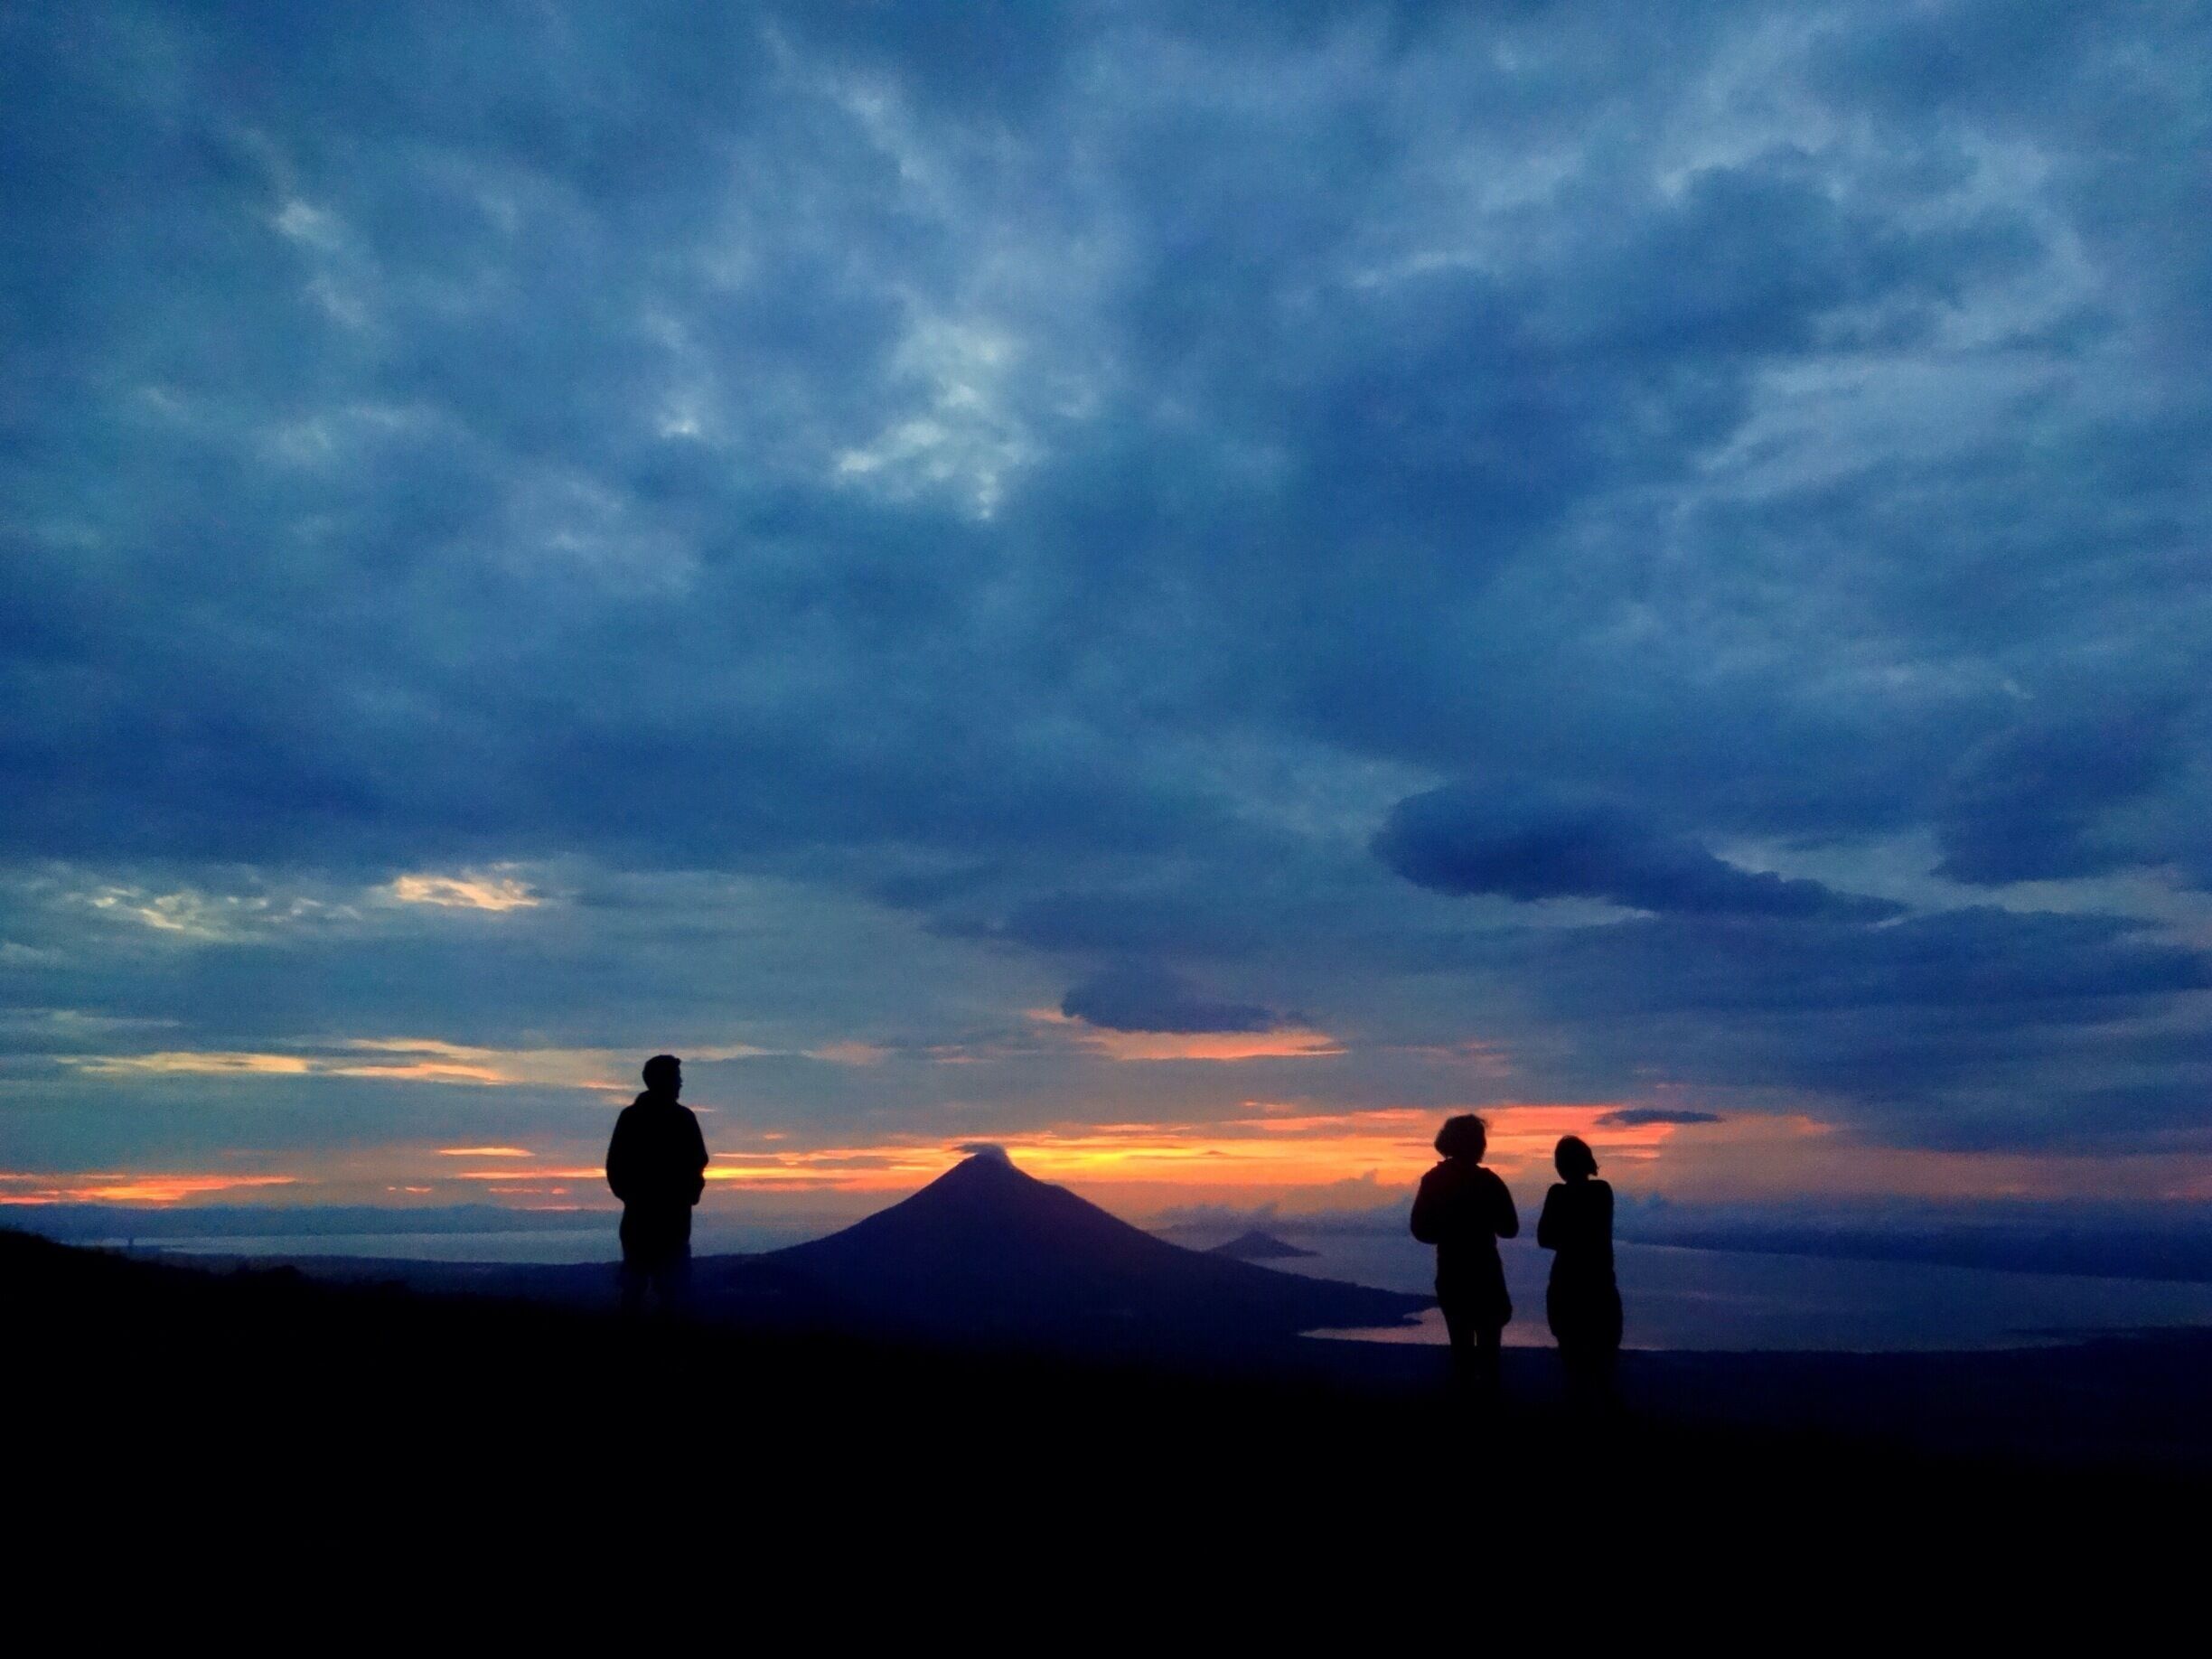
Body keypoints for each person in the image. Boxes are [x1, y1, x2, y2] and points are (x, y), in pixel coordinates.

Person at [1410, 1113, 1519, 1397]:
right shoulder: (1489, 1181)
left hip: (1452, 1275)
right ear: (1477, 1144)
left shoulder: (1433, 1180)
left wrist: (1448, 1231)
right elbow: (1510, 1228)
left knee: (1461, 1355)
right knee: (1490, 1357)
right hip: (1486, 1276)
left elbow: (1420, 1230)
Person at [605, 1054, 710, 1316]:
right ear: (663, 1081)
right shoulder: (680, 1118)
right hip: (665, 1217)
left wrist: (633, 1196)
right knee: (662, 1288)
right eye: (677, 1078)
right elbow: (699, 1159)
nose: (681, 1084)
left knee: (644, 1286)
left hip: (648, 1216)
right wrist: (687, 1193)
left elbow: (615, 1166)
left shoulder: (634, 1117)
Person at [1536, 1134, 1622, 1402]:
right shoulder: (1602, 1192)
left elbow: (1545, 1238)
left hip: (1567, 1287)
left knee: (1573, 1366)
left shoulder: (1557, 1194)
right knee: (1602, 1368)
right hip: (1600, 1287)